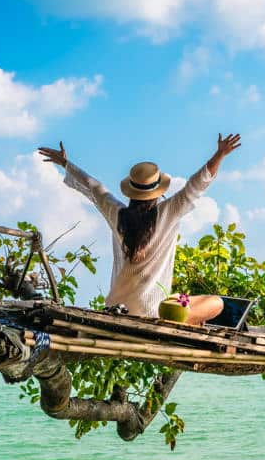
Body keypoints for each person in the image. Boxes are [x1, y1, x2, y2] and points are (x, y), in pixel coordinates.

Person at [38, 134, 241, 325]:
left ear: (131, 191)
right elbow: (196, 185)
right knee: (217, 302)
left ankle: (188, 319)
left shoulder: (117, 213)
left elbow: (93, 186)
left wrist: (66, 163)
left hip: (116, 306)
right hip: (152, 312)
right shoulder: (167, 212)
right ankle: (192, 322)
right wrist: (220, 154)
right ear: (158, 191)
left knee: (179, 300)